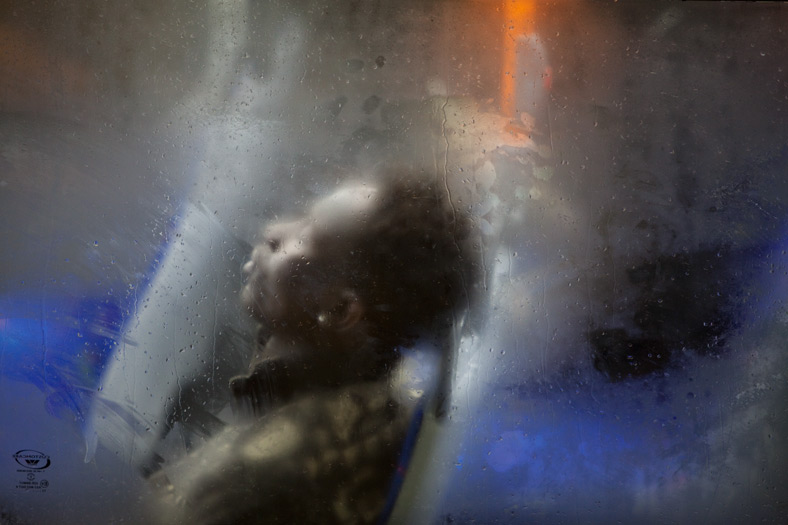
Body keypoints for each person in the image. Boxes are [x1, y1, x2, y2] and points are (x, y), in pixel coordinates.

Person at [149, 170, 477, 524]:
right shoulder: (363, 417)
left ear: (339, 310)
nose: (272, 231)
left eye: (305, 234)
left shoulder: (259, 472)